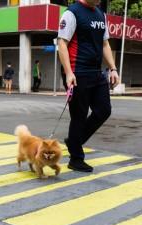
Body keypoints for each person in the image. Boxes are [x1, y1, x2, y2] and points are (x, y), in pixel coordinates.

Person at [57, 0, 118, 172]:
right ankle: (76, 159)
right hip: (77, 72)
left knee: (104, 110)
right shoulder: (72, 13)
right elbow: (62, 43)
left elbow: (105, 44)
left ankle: (74, 142)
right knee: (79, 116)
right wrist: (68, 72)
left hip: (96, 73)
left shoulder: (100, 14)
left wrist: (113, 68)